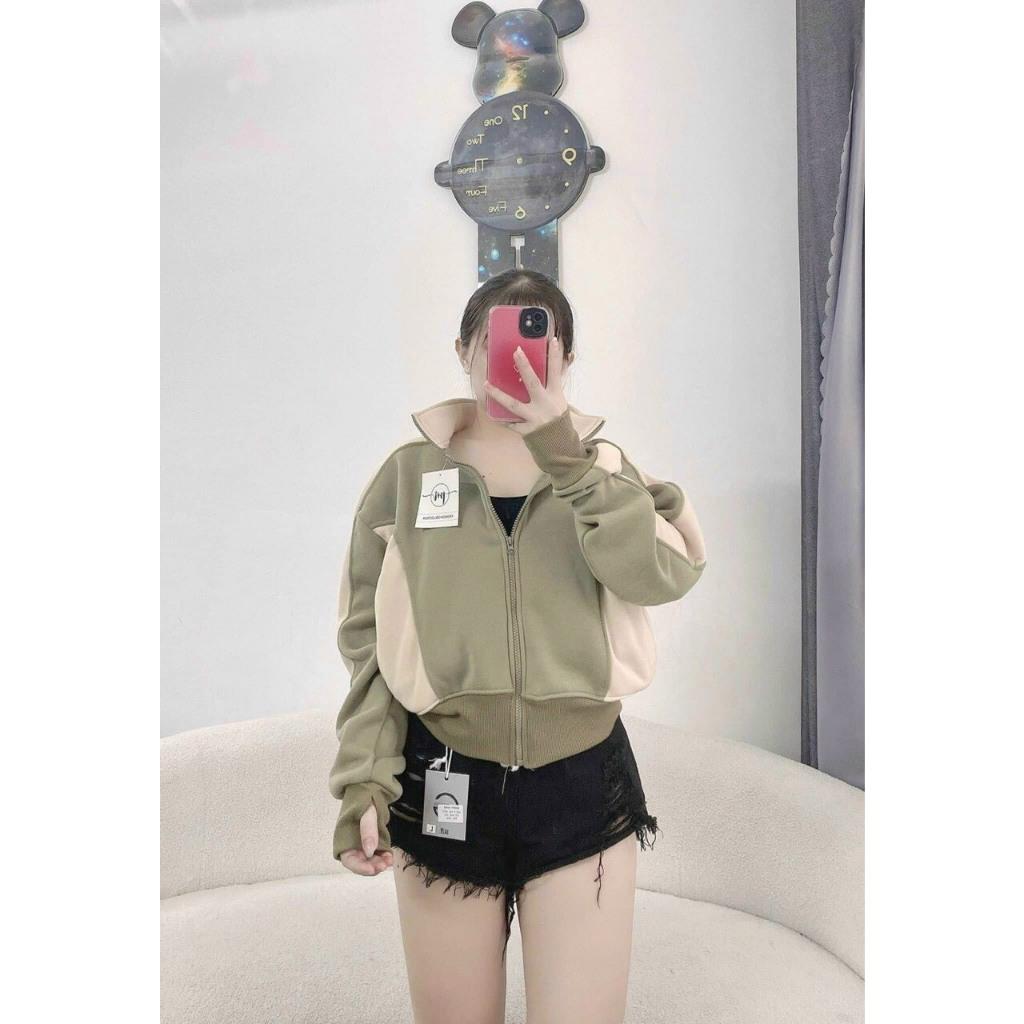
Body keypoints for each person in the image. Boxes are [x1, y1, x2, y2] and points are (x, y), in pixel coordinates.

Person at [328, 268, 707, 1024]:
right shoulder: (408, 477)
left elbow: (664, 574)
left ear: (566, 359)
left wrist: (565, 456)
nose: (518, 361)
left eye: (541, 342)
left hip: (580, 786)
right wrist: (364, 782)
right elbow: (370, 645)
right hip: (443, 782)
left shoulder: (602, 469)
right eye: (496, 340)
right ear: (465, 351)